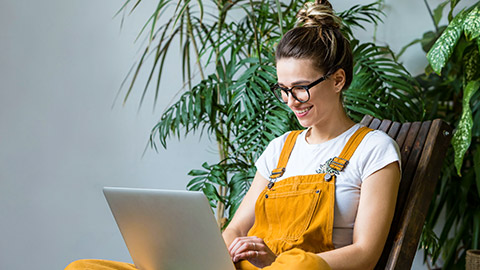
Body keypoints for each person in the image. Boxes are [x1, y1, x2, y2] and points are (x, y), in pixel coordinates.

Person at [66, 0, 400, 269]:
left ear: (338, 80)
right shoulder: (279, 150)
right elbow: (235, 230)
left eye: (300, 88)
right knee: (83, 268)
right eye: (282, 89)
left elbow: (366, 253)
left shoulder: (373, 150)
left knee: (299, 266)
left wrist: (280, 263)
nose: (290, 102)